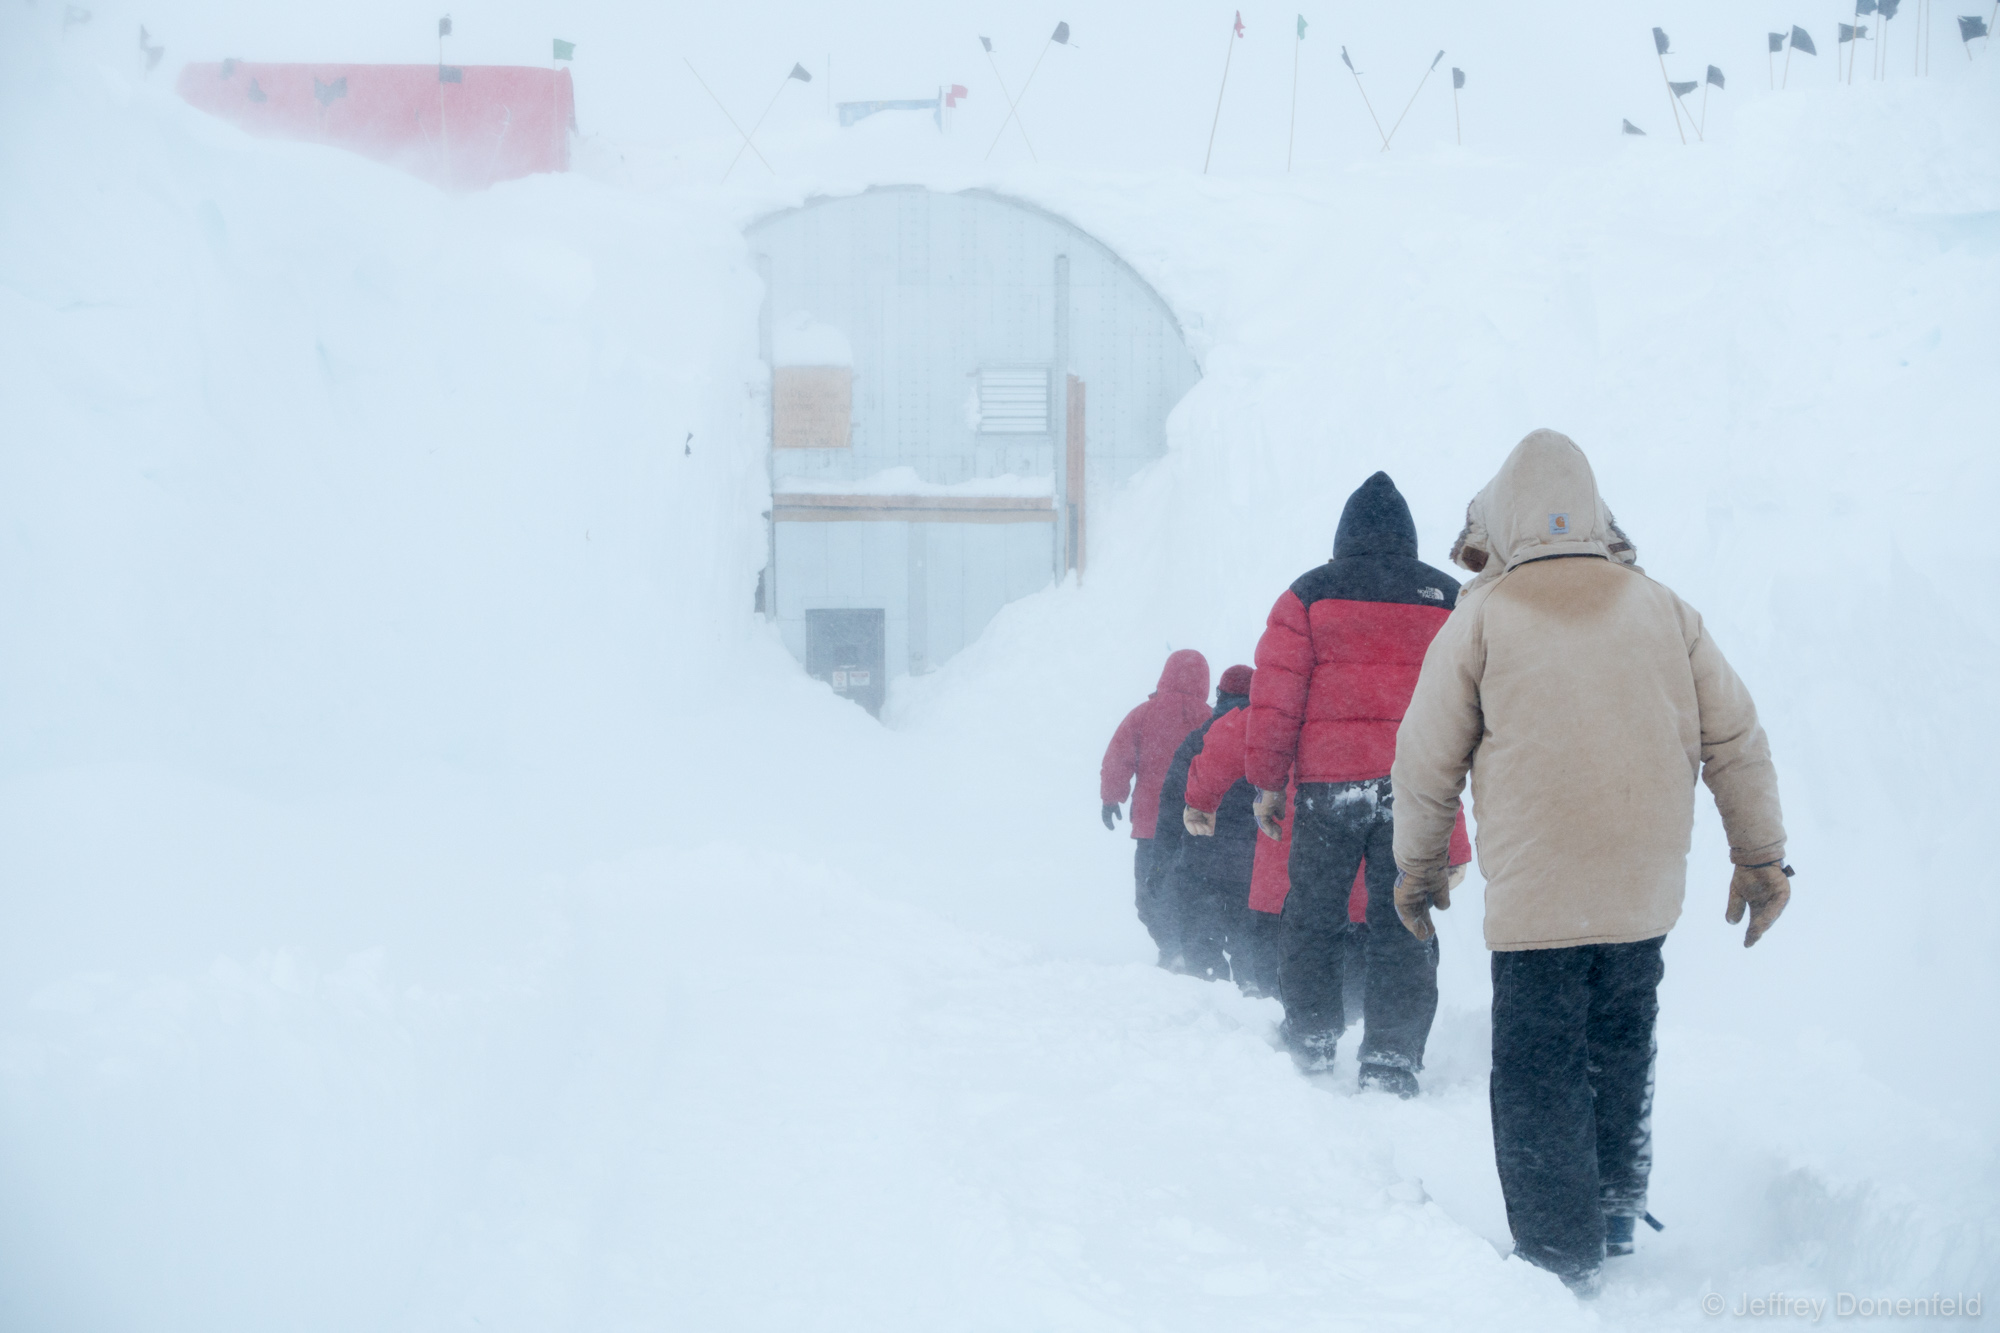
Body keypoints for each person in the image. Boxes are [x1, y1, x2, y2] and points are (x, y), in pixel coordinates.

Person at [1389, 429, 1791, 1294]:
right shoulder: (1664, 608)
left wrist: (1419, 867)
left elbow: (1426, 757)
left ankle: (1557, 1255)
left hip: (1538, 898)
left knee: (1539, 1067)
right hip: (1641, 889)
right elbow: (1736, 737)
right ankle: (1612, 1205)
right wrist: (1760, 857)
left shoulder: (1483, 617)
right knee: (1620, 1040)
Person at [1244, 472, 1468, 1090]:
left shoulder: (1308, 594)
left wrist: (1266, 781)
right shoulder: (1447, 599)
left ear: (1344, 536)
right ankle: (1392, 1059)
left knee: (1313, 916)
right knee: (1405, 920)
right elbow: (1469, 709)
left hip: (1326, 789)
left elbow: (1275, 699)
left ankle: (1312, 1039)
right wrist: (1460, 827)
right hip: (1414, 790)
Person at [1100, 649, 1212, 968]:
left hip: (1152, 823)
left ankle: (1171, 948)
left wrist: (1112, 797)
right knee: (1191, 892)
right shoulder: (1210, 718)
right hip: (1199, 825)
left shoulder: (1143, 714)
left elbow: (1117, 759)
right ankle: (1191, 953)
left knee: (1151, 892)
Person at [1161, 665, 1256, 983]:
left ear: (1220, 694)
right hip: (1252, 861)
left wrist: (1163, 854)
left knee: (1200, 927)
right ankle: (1252, 989)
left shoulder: (1200, 737)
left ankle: (1208, 987)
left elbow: (1173, 797)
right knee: (1249, 934)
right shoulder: (1268, 738)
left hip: (1202, 855)